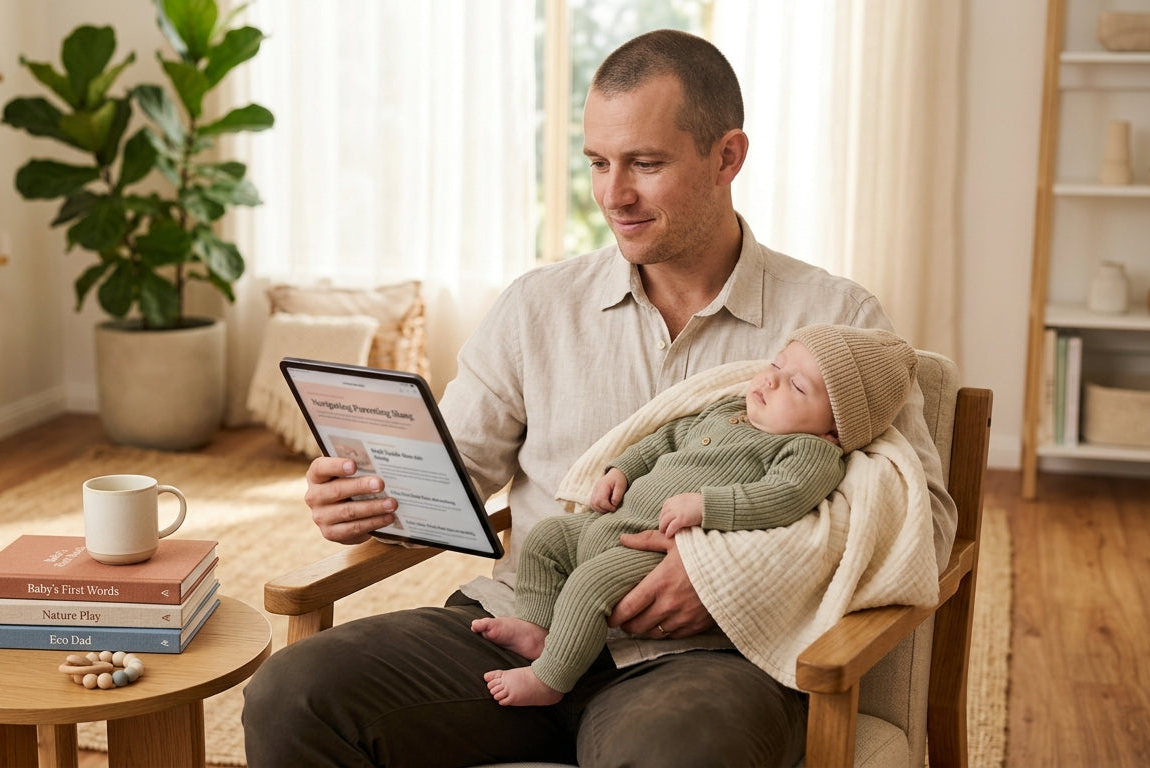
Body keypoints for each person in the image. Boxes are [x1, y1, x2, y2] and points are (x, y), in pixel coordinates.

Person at [243, 28, 954, 768]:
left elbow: (924, 526)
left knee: (674, 753)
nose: (614, 195)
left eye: (645, 164)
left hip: (702, 659)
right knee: (292, 695)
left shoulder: (834, 325)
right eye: (598, 163)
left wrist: (729, 576)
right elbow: (453, 476)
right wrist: (367, 502)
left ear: (727, 157)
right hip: (522, 617)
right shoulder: (537, 306)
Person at [475, 324, 918, 707]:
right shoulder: (727, 411)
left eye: (798, 387)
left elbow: (784, 496)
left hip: (651, 548)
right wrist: (622, 470)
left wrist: (709, 505)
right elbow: (665, 438)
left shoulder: (810, 451)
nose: (772, 381)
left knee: (588, 587)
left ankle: (552, 677)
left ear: (835, 429)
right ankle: (537, 626)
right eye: (777, 365)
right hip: (611, 522)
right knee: (544, 539)